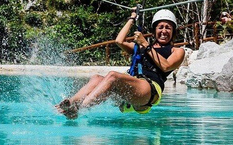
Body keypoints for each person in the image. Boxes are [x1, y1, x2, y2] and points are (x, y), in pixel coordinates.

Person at [55, 8, 185, 119]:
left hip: (150, 89)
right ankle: (69, 104)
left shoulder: (176, 51)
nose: (164, 31)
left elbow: (166, 66)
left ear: (173, 31)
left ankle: (80, 109)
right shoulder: (141, 46)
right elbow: (119, 41)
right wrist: (132, 18)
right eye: (160, 27)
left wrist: (145, 44)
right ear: (154, 30)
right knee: (97, 78)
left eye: (168, 28)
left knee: (113, 76)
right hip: (133, 85)